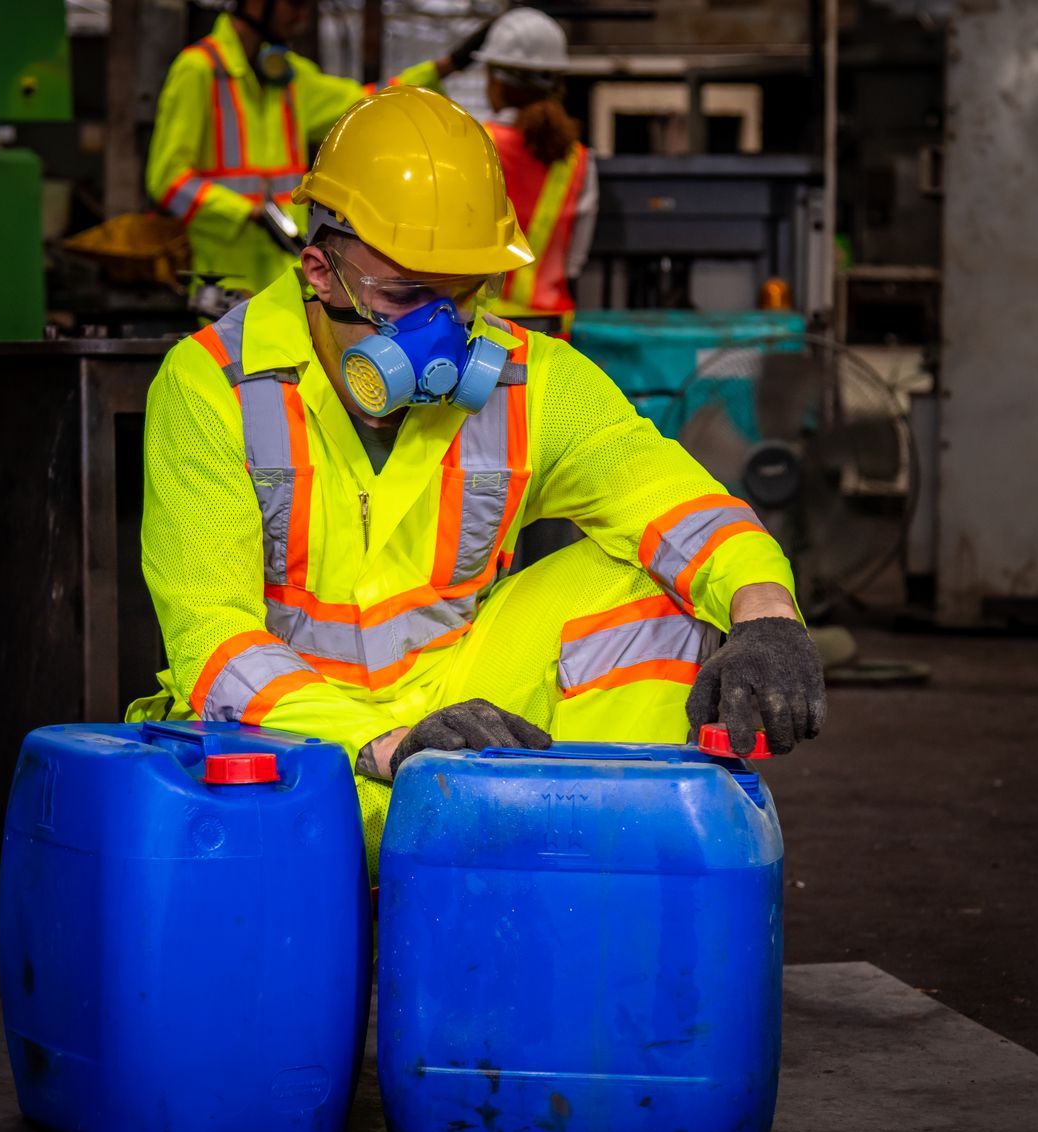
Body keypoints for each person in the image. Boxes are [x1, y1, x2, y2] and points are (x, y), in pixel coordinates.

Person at [132, 87, 825, 875]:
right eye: (405, 298)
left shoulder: (530, 383)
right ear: (320, 272)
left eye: (463, 295)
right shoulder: (213, 386)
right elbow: (211, 638)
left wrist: (766, 613)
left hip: (465, 721)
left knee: (664, 587)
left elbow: (675, 500)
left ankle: (598, 878)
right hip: (289, 748)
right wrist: (383, 744)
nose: (445, 333)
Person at [146, 0, 492, 301]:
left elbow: (367, 102)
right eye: (294, 4)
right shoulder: (198, 71)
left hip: (288, 273)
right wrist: (244, 212)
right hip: (226, 280)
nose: (301, 17)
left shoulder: (290, 78)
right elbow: (168, 180)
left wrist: (446, 66)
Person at [474, 7, 596, 331]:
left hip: (483, 327)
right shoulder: (578, 158)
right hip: (551, 329)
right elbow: (574, 262)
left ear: (496, 83)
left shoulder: (473, 143)